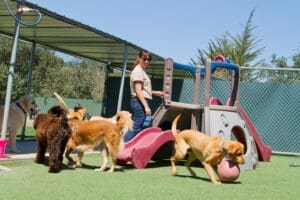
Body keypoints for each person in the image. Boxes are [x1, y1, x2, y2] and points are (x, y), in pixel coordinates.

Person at [124, 50, 164, 142]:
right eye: (144, 59)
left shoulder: (141, 71)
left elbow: (143, 90)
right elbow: (138, 90)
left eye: (148, 59)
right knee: (136, 127)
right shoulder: (138, 71)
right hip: (139, 102)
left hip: (140, 101)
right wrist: (146, 106)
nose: (146, 61)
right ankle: (123, 148)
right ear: (139, 58)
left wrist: (157, 93)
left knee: (137, 127)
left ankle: (127, 148)